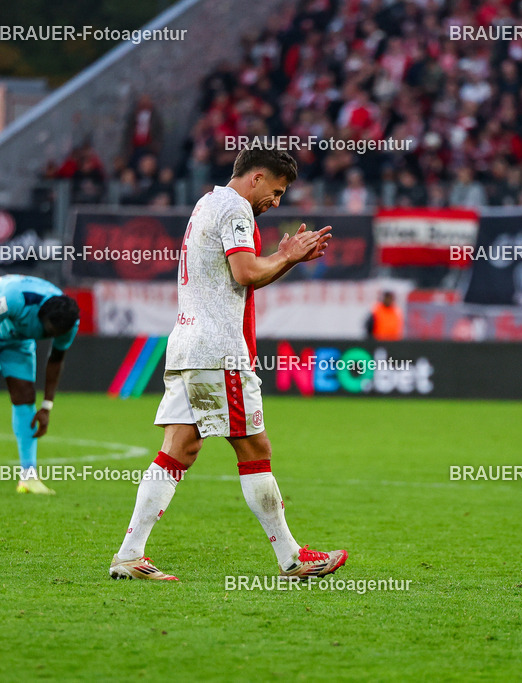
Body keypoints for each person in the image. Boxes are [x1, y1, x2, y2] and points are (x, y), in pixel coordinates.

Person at [109, 149, 346, 581]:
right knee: (255, 449)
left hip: (189, 345)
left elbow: (240, 277)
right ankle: (292, 557)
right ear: (257, 178)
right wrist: (287, 256)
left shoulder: (208, 202)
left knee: (179, 449)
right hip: (220, 352)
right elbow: (246, 272)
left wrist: (287, 260)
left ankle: (129, 554)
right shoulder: (237, 209)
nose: (276, 202)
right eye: (276, 191)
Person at [0, 275, 80, 496]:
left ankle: (29, 476)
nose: (49, 336)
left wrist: (47, 406)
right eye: (48, 331)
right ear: (41, 316)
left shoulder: (68, 323)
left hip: (17, 339)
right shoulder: (16, 299)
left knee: (25, 397)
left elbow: (56, 359)